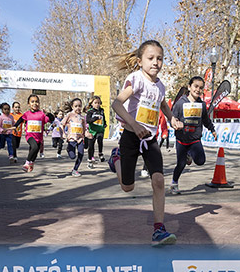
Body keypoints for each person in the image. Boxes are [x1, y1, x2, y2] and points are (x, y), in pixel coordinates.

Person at [111, 39, 182, 245]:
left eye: (159, 59)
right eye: (150, 58)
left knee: (158, 181)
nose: (155, 62)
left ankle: (159, 229)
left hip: (150, 138)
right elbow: (117, 103)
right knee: (127, 188)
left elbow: (162, 104)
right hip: (131, 136)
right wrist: (133, 125)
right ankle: (116, 159)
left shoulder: (160, 85)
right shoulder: (136, 79)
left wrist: (171, 119)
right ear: (141, 61)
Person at [170, 75, 217, 194]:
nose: (198, 90)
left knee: (201, 161)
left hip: (195, 139)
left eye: (201, 88)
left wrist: (212, 130)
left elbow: (206, 120)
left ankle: (189, 154)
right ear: (189, 87)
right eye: (196, 86)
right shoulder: (180, 103)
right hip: (181, 139)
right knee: (180, 164)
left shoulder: (202, 105)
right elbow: (172, 118)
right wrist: (175, 124)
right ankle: (174, 183)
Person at [14, 95, 51, 172]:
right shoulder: (27, 114)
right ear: (29, 104)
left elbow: (51, 118)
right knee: (34, 147)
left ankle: (32, 163)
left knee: (36, 150)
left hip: (39, 137)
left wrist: (48, 113)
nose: (35, 103)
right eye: (32, 101)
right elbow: (21, 119)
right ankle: (27, 163)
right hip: (30, 136)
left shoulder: (42, 114)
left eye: (36, 101)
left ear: (39, 103)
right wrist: (15, 126)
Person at [62, 97, 87, 176]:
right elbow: (61, 124)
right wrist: (63, 133)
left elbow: (84, 128)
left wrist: (87, 134)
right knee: (72, 156)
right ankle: (69, 149)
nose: (78, 108)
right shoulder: (69, 115)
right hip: (72, 138)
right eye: (76, 106)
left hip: (80, 139)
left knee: (81, 153)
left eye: (79, 106)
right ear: (72, 107)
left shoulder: (82, 117)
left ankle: (75, 169)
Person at [86, 96, 106, 168]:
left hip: (100, 129)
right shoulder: (90, 112)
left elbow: (104, 117)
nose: (97, 104)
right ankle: (90, 160)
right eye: (95, 103)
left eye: (98, 103)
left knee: (100, 139)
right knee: (91, 146)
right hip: (92, 131)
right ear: (92, 104)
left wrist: (105, 123)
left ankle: (100, 153)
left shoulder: (101, 110)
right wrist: (95, 118)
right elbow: (88, 120)